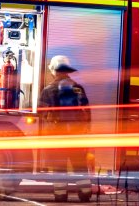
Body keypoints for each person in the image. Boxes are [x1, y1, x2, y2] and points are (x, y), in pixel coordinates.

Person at [39, 55, 92, 203]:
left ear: (53, 70)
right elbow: (87, 111)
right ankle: (85, 193)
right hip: (77, 135)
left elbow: (42, 113)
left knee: (59, 166)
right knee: (80, 165)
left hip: (57, 135)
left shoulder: (48, 90)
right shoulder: (78, 88)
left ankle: (61, 195)